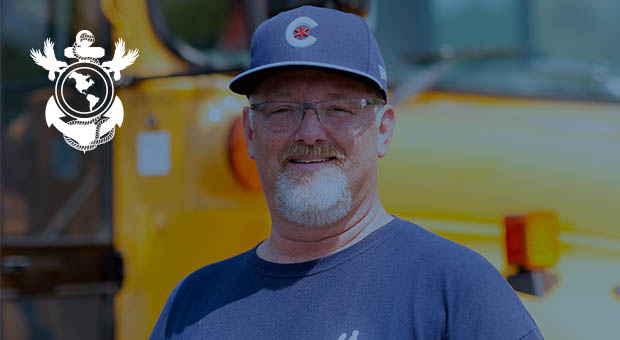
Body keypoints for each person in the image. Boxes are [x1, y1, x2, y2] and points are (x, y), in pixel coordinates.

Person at [150, 6, 543, 340]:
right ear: (251, 132)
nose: (309, 132)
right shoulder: (193, 306)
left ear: (383, 130)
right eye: (282, 109)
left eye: (339, 108)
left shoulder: (457, 292)